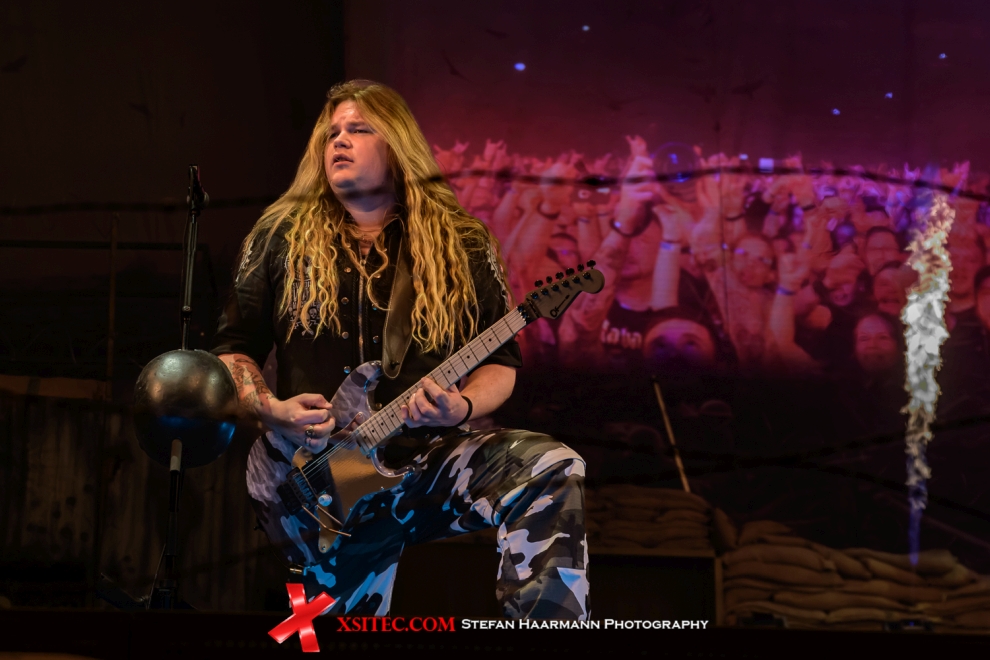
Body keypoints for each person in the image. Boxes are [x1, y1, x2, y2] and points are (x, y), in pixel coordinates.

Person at [211, 80, 589, 619]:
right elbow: (232, 350)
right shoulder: (279, 236)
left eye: (359, 129)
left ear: (397, 145)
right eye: (332, 133)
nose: (340, 141)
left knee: (550, 466)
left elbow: (501, 363)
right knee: (342, 635)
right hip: (318, 482)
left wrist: (460, 406)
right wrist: (272, 410)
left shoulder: (462, 242)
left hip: (427, 467)